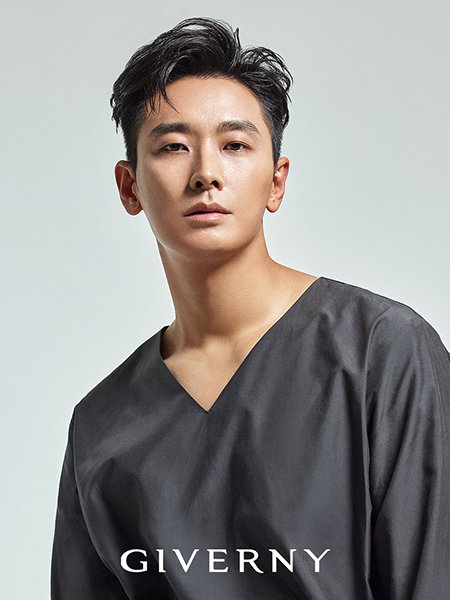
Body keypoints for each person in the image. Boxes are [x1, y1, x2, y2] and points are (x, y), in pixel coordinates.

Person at [50, 16, 450, 600]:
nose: (206, 174)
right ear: (130, 186)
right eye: (174, 147)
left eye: (234, 145)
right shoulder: (102, 423)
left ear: (276, 182)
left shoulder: (382, 353)